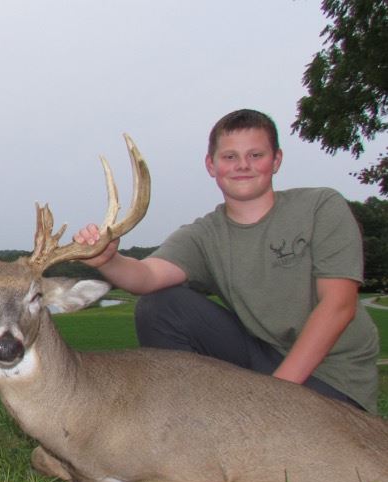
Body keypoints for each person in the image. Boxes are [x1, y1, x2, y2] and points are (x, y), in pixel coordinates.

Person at [74, 109, 380, 412]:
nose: (243, 165)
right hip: (262, 360)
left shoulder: (319, 207)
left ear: (276, 160)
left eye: (256, 155)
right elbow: (147, 277)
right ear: (211, 165)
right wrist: (107, 259)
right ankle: (188, 420)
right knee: (159, 307)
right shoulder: (205, 235)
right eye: (230, 156)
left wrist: (275, 394)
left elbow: (338, 305)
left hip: (332, 380)